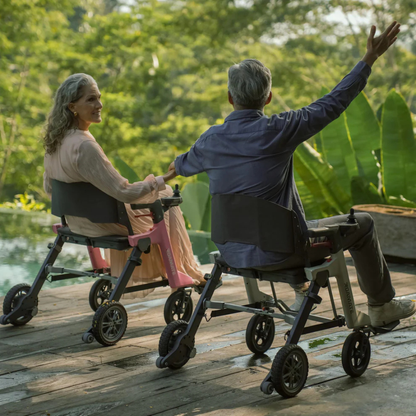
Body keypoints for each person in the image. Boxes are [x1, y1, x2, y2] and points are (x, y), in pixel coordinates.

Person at [163, 21, 416, 326]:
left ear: (230, 98)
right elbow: (334, 102)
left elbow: (180, 165)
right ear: (268, 98)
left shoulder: (209, 140)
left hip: (231, 252)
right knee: (362, 223)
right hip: (284, 251)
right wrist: (369, 59)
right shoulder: (281, 129)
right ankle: (380, 306)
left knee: (280, 223)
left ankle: (302, 291)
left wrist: (168, 172)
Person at [43, 74, 205, 297]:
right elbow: (124, 192)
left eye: (99, 98)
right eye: (91, 99)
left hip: (75, 222)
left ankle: (182, 269)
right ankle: (181, 271)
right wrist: (166, 177)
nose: (99, 104)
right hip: (103, 224)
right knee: (166, 195)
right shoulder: (85, 146)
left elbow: (49, 188)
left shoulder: (56, 141)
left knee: (159, 195)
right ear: (73, 106)